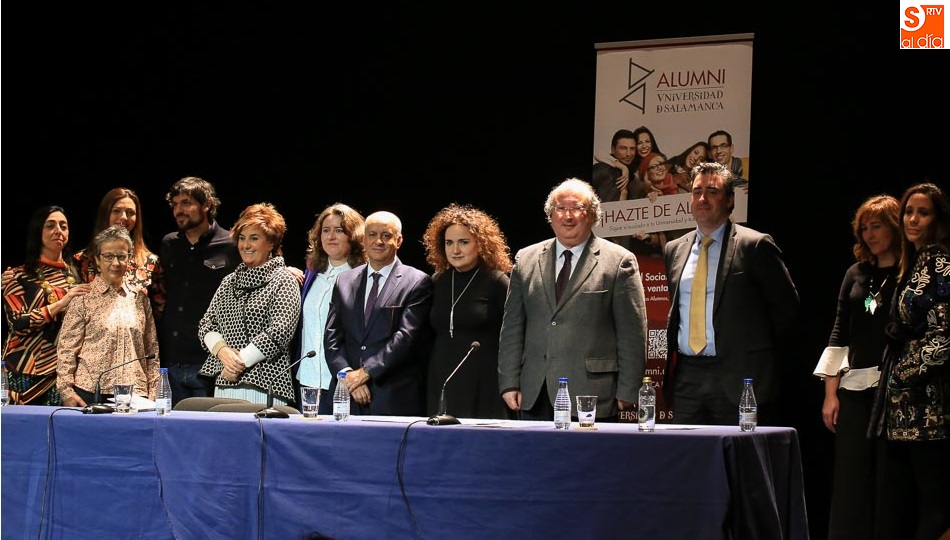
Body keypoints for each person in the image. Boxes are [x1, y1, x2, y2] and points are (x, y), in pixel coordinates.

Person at [498, 178, 648, 422]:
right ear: (551, 214)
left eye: (577, 208)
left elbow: (632, 332)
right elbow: (512, 328)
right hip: (534, 393)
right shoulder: (525, 259)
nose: (568, 216)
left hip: (592, 394)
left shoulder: (619, 261)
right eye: (560, 208)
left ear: (591, 215)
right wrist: (508, 382)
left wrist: (629, 388)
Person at [662, 162, 798, 426]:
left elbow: (786, 309)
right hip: (688, 377)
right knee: (688, 461)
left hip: (739, 376)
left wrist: (755, 356)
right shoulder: (673, 249)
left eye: (712, 191)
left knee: (740, 462)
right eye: (696, 191)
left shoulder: (754, 245)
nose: (702, 198)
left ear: (729, 199)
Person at [812, 195, 900, 540]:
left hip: (895, 390)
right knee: (850, 479)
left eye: (876, 226)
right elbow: (839, 331)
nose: (869, 234)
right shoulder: (856, 273)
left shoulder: (912, 272)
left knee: (889, 479)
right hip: (853, 388)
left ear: (894, 226)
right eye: (864, 228)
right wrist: (830, 394)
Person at [869, 182, 950, 540]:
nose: (913, 219)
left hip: (929, 407)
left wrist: (904, 371)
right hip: (902, 409)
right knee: (899, 503)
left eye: (923, 212)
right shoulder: (915, 261)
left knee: (934, 506)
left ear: (939, 219)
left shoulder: (941, 262)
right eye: (909, 212)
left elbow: (944, 338)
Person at [324, 211, 433, 416]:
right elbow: (332, 337)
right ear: (364, 239)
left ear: (398, 240)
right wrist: (349, 377)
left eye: (386, 235)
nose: (378, 241)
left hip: (391, 395)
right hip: (347, 396)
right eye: (372, 235)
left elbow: (406, 338)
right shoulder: (344, 280)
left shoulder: (417, 282)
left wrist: (365, 373)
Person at [197, 203, 301, 405]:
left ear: (270, 243)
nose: (246, 245)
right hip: (226, 384)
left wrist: (237, 364)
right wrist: (223, 352)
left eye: (254, 238)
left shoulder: (284, 280)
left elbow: (280, 332)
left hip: (267, 385)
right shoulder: (229, 281)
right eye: (242, 238)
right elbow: (206, 325)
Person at [422, 203, 512, 419]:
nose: (455, 250)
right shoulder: (437, 281)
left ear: (480, 244)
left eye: (463, 242)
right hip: (442, 378)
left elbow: (513, 336)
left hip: (484, 381)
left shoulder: (497, 281)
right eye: (449, 243)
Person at [157, 177, 241, 406]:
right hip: (170, 362)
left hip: (210, 362)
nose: (178, 210)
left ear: (206, 205)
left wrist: (287, 268)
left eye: (186, 203)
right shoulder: (168, 244)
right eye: (174, 205)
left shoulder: (232, 244)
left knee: (208, 436)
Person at [57, 226, 160, 406]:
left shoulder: (139, 298)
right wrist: (66, 392)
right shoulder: (83, 298)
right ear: (97, 260)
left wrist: (154, 390)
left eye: (121, 256)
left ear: (129, 259)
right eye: (108, 256)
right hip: (90, 392)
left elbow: (151, 349)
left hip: (135, 394)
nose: (116, 263)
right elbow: (66, 349)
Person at [2, 206, 92, 405]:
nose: (58, 230)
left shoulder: (78, 275)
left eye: (63, 226)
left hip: (64, 373)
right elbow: (17, 322)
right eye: (50, 226)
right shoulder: (18, 276)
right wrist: (61, 303)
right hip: (25, 370)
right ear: (38, 232)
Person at [295, 203, 366, 414]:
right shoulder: (311, 275)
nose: (331, 236)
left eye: (339, 230)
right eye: (326, 230)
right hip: (307, 381)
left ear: (353, 236)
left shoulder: (362, 277)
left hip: (343, 383)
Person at [73, 187, 163, 314]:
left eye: (130, 213)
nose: (124, 217)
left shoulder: (150, 262)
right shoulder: (82, 260)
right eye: (116, 211)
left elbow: (158, 312)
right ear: (105, 214)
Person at [591, 129, 641, 203]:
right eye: (623, 148)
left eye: (632, 149)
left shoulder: (633, 174)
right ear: (613, 149)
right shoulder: (604, 169)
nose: (628, 154)